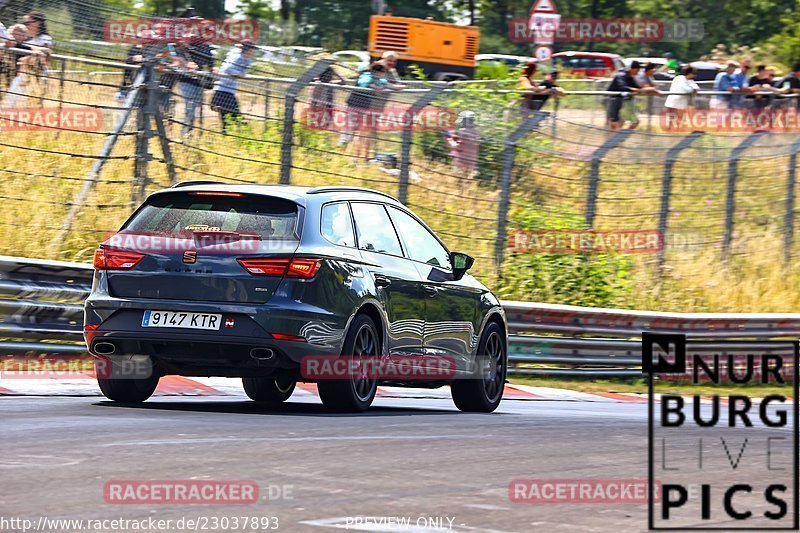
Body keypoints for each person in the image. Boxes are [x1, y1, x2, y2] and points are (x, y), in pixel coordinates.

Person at [343, 61, 390, 160]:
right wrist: (374, 87)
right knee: (350, 130)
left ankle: (353, 157)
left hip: (364, 106)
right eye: (382, 72)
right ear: (377, 71)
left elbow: (385, 84)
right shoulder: (366, 76)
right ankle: (342, 152)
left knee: (358, 131)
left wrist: (381, 87)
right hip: (354, 104)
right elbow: (363, 84)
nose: (382, 74)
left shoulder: (378, 79)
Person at [211, 40, 257, 131]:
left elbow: (243, 72)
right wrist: (239, 74)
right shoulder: (238, 57)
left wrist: (241, 74)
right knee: (234, 116)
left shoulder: (246, 60)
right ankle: (243, 133)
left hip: (229, 89)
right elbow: (227, 69)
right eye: (251, 49)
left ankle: (229, 134)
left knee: (228, 116)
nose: (253, 52)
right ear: (247, 50)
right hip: (223, 89)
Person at [175, 28, 214, 136]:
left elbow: (211, 64)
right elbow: (176, 58)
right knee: (190, 108)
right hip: (185, 80)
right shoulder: (182, 46)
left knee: (198, 109)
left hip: (199, 82)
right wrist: (186, 65)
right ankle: (184, 134)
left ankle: (194, 134)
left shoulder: (205, 47)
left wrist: (213, 71)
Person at [606, 61, 654, 130]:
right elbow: (623, 87)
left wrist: (649, 89)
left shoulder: (630, 77)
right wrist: (639, 90)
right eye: (637, 70)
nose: (637, 73)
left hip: (621, 101)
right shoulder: (621, 75)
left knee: (623, 122)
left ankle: (618, 137)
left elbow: (637, 87)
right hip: (612, 99)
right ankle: (611, 138)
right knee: (614, 122)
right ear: (633, 69)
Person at [445, 110, 480, 176]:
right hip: (472, 161)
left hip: (461, 162)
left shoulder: (463, 131)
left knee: (456, 181)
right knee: (466, 181)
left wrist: (449, 139)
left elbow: (458, 148)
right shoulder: (477, 132)